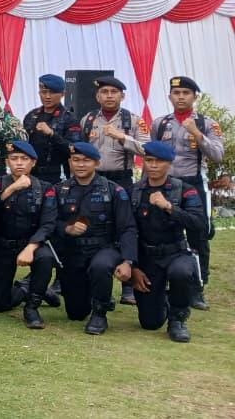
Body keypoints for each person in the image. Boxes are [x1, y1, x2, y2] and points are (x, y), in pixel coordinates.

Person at [150, 75, 222, 309]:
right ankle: (164, 283)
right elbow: (153, 155)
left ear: (194, 96)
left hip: (194, 183)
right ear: (169, 96)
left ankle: (197, 288)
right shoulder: (160, 123)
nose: (181, 97)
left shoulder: (206, 123)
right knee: (161, 231)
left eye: (186, 93)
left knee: (198, 235)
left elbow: (217, 155)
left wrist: (197, 134)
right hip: (166, 184)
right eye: (176, 93)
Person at [53, 141, 136, 334]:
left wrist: (128, 261)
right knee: (76, 313)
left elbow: (127, 228)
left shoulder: (113, 191)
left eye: (86, 160)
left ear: (97, 163)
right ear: (70, 162)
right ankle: (97, 295)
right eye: (76, 160)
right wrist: (67, 228)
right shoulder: (59, 190)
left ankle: (100, 313)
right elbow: (49, 223)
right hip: (73, 251)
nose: (80, 164)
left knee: (101, 266)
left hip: (104, 248)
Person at [0, 140, 58, 329]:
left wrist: (31, 247)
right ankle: (25, 287)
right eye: (14, 158)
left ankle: (32, 307)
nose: (19, 163)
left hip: (32, 244)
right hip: (3, 245)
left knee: (45, 258)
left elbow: (48, 224)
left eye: (24, 159)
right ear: (7, 162)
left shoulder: (45, 188)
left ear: (33, 162)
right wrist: (11, 189)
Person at [131, 140, 205, 342]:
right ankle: (161, 300)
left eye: (160, 161)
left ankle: (177, 318)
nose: (153, 165)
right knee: (150, 323)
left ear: (170, 164)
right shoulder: (134, 191)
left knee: (180, 272)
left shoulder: (184, 190)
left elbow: (199, 223)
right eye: (149, 160)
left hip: (176, 253)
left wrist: (169, 207)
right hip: (147, 258)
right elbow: (126, 231)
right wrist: (133, 267)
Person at [22, 74, 81, 184]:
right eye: (44, 92)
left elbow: (75, 149)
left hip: (57, 175)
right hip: (32, 173)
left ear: (62, 94)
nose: (47, 96)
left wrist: (52, 134)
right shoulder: (31, 116)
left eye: (52, 93)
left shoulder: (69, 118)